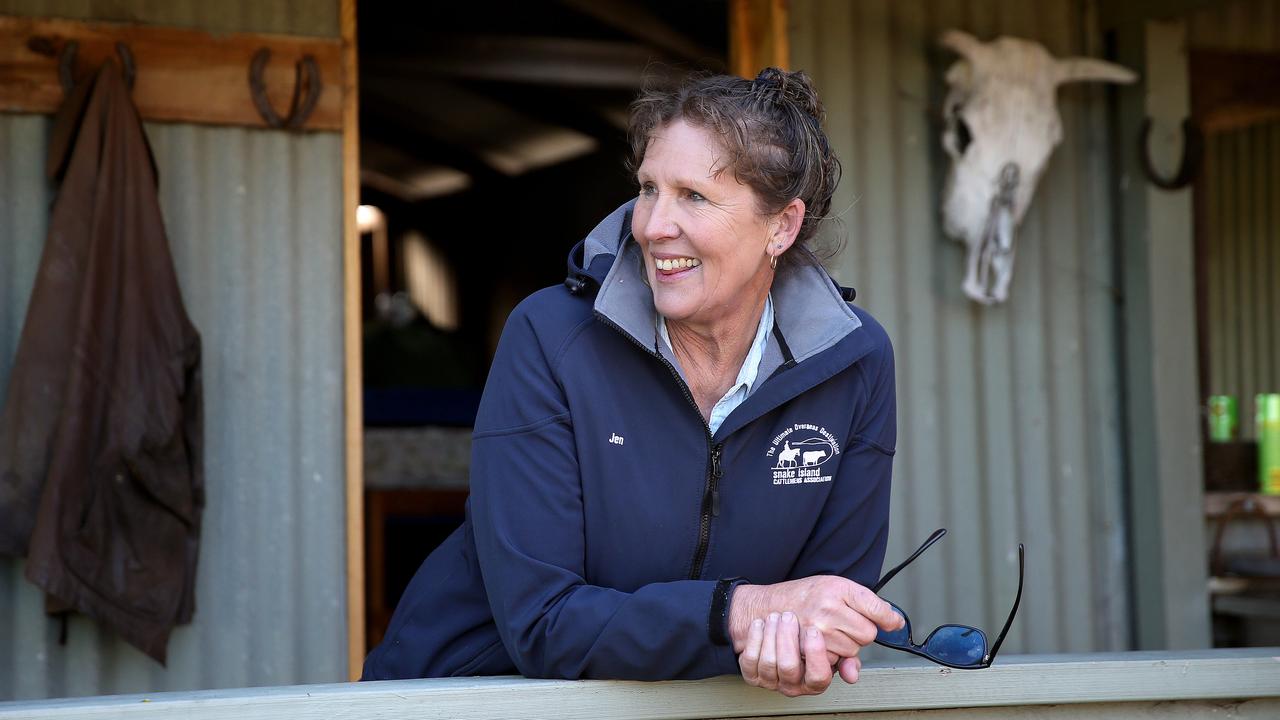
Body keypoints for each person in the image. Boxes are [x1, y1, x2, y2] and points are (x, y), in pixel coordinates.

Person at [362, 67, 902, 697]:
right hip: (471, 696)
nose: (651, 226)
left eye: (693, 196)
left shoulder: (853, 361)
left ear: (780, 226)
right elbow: (542, 622)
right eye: (649, 188)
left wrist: (806, 637)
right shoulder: (553, 337)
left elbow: (822, 608)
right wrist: (737, 613)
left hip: (707, 706)